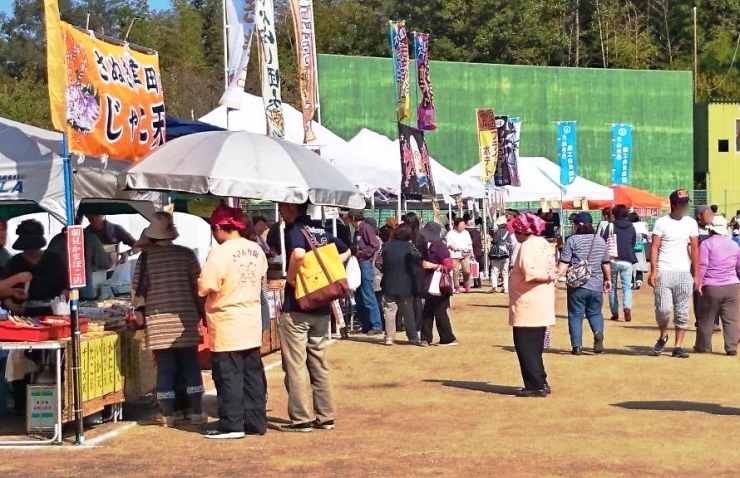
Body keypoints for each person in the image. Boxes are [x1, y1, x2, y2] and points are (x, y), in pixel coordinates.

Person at [278, 201, 350, 432]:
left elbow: (298, 254)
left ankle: (301, 418)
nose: (280, 208)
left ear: (292, 207)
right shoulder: (320, 230)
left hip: (298, 305)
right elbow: (347, 250)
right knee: (318, 362)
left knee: (295, 364)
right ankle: (326, 416)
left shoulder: (294, 231)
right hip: (321, 304)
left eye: (282, 205)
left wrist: (291, 278)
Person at [198, 204, 268, 439]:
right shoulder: (256, 248)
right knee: (252, 375)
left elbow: (207, 285)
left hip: (227, 319)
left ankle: (232, 424)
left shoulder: (220, 252)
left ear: (218, 228)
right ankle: (256, 422)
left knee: (229, 375)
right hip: (250, 318)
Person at [132, 213, 206, 427]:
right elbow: (198, 288)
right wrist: (202, 313)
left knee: (165, 368)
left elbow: (137, 291)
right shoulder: (187, 255)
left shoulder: (145, 258)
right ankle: (197, 412)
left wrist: (139, 315)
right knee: (191, 365)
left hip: (158, 321)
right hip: (185, 319)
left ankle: (167, 415)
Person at [508, 213, 557, 397]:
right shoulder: (543, 243)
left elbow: (530, 273)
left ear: (522, 231)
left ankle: (535, 385)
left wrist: (549, 276)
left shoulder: (527, 246)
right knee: (534, 348)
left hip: (528, 305)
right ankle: (540, 381)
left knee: (525, 348)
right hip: (541, 303)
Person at [649, 189, 699, 359]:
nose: (685, 206)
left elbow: (695, 248)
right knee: (662, 310)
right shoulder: (661, 222)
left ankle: (678, 346)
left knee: (682, 312)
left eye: (686, 202)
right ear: (673, 204)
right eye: (682, 203)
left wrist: (697, 274)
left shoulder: (691, 223)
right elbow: (655, 247)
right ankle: (663, 335)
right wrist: (653, 270)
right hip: (664, 271)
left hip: (684, 272)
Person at [559, 212, 611, 355]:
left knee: (575, 315)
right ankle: (598, 332)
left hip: (577, 285)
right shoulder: (600, 240)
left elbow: (565, 262)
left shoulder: (572, 240)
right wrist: (608, 280)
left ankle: (577, 347)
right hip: (596, 284)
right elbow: (605, 263)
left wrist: (556, 275)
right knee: (595, 313)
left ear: (577, 225)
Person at [1, 219, 68, 317]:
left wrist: (61, 301)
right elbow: (4, 291)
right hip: (23, 314)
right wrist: (9, 304)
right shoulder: (14, 262)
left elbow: (66, 287)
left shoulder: (54, 260)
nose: (31, 250)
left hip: (53, 312)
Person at [695, 220, 740, 355]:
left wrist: (699, 283)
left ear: (711, 230)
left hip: (712, 286)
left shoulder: (707, 244)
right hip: (732, 285)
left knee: (706, 318)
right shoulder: (734, 245)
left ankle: (703, 347)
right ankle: (731, 347)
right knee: (731, 319)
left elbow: (703, 265)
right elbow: (738, 267)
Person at [47, 212, 112, 302]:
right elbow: (106, 264)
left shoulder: (55, 241)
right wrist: (111, 258)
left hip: (59, 294)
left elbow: (48, 267)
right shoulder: (90, 238)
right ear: (81, 219)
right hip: (84, 293)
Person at [380, 224, 421, 346]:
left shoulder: (386, 246)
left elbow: (379, 262)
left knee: (389, 310)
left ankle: (389, 337)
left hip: (389, 282)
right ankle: (413, 337)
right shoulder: (410, 247)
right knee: (408, 311)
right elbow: (418, 258)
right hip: (406, 284)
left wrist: (385, 270)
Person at [419, 222, 457, 347]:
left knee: (439, 313)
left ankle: (448, 338)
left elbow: (449, 266)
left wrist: (432, 266)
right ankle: (426, 338)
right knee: (428, 312)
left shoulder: (441, 247)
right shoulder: (433, 246)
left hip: (440, 285)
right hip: (432, 285)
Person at [348, 210, 383, 335]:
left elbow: (375, 245)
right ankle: (365, 324)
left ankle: (376, 325)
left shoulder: (366, 228)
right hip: (358, 263)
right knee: (359, 295)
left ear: (353, 218)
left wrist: (362, 253)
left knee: (368, 294)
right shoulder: (357, 230)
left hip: (365, 263)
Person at [603, 205, 637, 322]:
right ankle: (627, 307)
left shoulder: (611, 226)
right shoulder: (631, 227)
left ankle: (615, 313)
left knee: (612, 287)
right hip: (627, 260)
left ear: (614, 214)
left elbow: (603, 241)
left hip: (612, 259)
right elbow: (633, 242)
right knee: (627, 287)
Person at [404, 213, 427, 333]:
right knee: (416, 298)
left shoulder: (406, 237)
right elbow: (425, 254)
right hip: (419, 269)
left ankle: (413, 323)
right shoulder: (421, 236)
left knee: (411, 298)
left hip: (410, 269)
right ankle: (417, 323)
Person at [446, 218, 473, 293]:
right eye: (461, 225)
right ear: (456, 226)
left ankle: (466, 283)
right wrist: (452, 247)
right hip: (454, 255)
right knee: (455, 271)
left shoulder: (466, 233)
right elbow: (448, 244)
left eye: (463, 225)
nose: (463, 227)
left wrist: (471, 252)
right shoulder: (450, 233)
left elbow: (470, 244)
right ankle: (457, 287)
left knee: (467, 271)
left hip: (465, 254)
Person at [489, 215, 512, 293]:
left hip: (497, 254)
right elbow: (510, 244)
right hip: (506, 254)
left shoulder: (497, 232)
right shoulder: (508, 233)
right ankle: (505, 288)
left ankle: (494, 287)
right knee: (505, 272)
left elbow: (495, 241)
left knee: (494, 271)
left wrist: (492, 240)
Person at [628, 212, 649, 289]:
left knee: (630, 265)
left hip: (630, 248)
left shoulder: (629, 226)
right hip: (640, 248)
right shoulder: (641, 226)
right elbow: (648, 238)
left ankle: (631, 281)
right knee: (640, 264)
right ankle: (639, 281)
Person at [467, 219, 484, 288]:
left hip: (475, 252)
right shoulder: (476, 232)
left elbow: (472, 242)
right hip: (477, 252)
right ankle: (477, 283)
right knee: (476, 268)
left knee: (475, 268)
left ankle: (477, 283)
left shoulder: (473, 233)